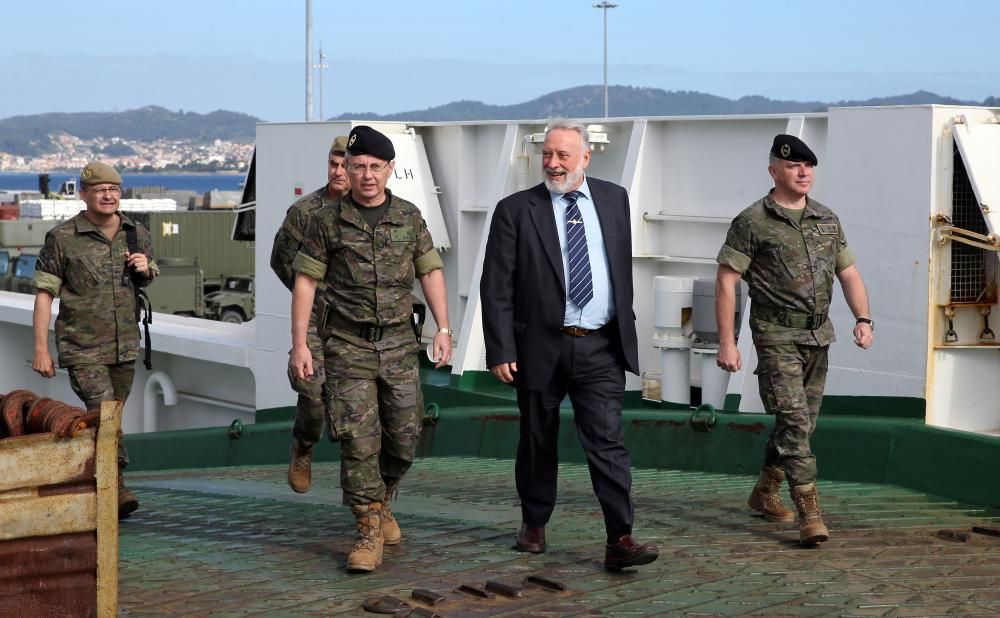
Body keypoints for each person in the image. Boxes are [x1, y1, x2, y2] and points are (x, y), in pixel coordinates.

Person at [480, 118, 658, 571]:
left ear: (585, 157)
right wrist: (501, 348)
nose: (553, 164)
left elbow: (617, 269)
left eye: (562, 155)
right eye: (547, 155)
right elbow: (496, 285)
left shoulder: (615, 200)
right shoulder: (516, 209)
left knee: (608, 442)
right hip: (539, 346)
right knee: (538, 439)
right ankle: (534, 524)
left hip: (600, 345)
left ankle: (620, 538)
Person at [290, 125, 452, 573]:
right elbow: (304, 281)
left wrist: (444, 327)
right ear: (347, 168)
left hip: (399, 343)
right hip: (346, 346)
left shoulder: (409, 216)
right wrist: (300, 343)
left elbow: (430, 271)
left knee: (404, 438)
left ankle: (381, 502)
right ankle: (367, 530)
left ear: (389, 170)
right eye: (356, 166)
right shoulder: (325, 221)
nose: (365, 175)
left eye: (374, 167)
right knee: (359, 441)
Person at [714, 134, 874, 545]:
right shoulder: (752, 221)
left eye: (808, 166)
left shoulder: (827, 218)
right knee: (795, 421)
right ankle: (810, 513)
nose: (803, 173)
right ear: (774, 171)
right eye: (792, 166)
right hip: (775, 336)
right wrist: (727, 341)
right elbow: (727, 281)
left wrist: (863, 318)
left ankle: (765, 491)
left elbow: (849, 272)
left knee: (801, 424)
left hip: (819, 334)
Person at [31, 161, 158, 519]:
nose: (108, 195)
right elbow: (44, 296)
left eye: (114, 189)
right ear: (84, 195)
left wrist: (146, 270)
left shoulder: (137, 233)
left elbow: (149, 276)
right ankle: (117, 488)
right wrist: (41, 350)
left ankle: (100, 487)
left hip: (125, 346)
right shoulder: (63, 238)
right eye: (100, 190)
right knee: (104, 412)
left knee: (111, 416)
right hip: (82, 348)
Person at [271, 135, 350, 494]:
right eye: (333, 163)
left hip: (357, 325)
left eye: (345, 164)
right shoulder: (305, 212)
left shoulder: (368, 211)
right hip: (318, 322)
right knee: (313, 395)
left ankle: (371, 501)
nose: (338, 171)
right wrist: (311, 294)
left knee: (358, 414)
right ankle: (303, 445)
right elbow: (281, 260)